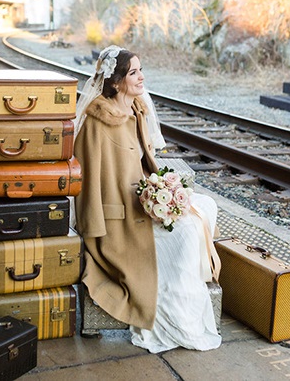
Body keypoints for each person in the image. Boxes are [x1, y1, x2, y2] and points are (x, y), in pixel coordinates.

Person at [74, 45, 222, 353]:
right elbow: (87, 185)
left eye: (141, 70)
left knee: (205, 208)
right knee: (185, 233)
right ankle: (175, 313)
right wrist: (94, 234)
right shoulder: (96, 123)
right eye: (133, 73)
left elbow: (146, 164)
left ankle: (184, 299)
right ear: (115, 82)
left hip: (143, 205)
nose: (142, 77)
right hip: (120, 223)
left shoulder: (138, 109)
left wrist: (165, 193)